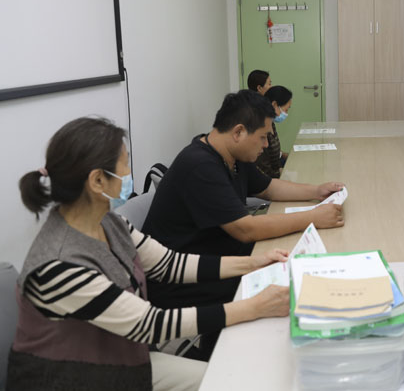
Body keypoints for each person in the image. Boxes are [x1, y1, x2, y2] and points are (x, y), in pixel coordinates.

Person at [8, 117, 290, 391]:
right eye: (125, 163)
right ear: (97, 180)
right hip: (75, 379)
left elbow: (170, 264)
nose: (128, 172)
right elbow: (149, 324)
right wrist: (255, 307)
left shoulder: (110, 223)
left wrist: (253, 263)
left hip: (121, 357)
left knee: (236, 378)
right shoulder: (59, 265)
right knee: (233, 382)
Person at [141, 91, 343, 333]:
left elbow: (268, 188)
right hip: (184, 281)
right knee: (287, 291)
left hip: (217, 257)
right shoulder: (199, 165)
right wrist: (313, 217)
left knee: (297, 264)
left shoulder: (232, 155)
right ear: (238, 132)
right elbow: (246, 230)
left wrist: (317, 191)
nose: (266, 145)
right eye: (263, 137)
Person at [253, 85, 291, 178]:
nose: (286, 114)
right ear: (274, 105)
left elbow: (274, 153)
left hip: (275, 170)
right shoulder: (261, 126)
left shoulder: (271, 122)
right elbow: (263, 170)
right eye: (286, 110)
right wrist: (281, 173)